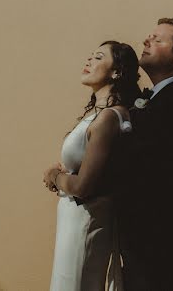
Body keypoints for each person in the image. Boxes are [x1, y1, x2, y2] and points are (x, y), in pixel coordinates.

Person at [44, 40, 141, 291]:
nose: (89, 61)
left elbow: (84, 186)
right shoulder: (97, 116)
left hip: (86, 220)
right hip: (73, 219)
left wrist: (54, 176)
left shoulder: (109, 118)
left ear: (116, 72)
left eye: (98, 57)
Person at [116, 18, 173, 291]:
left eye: (157, 39)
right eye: (148, 36)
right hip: (146, 237)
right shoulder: (155, 98)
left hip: (160, 238)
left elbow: (136, 160)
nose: (146, 41)